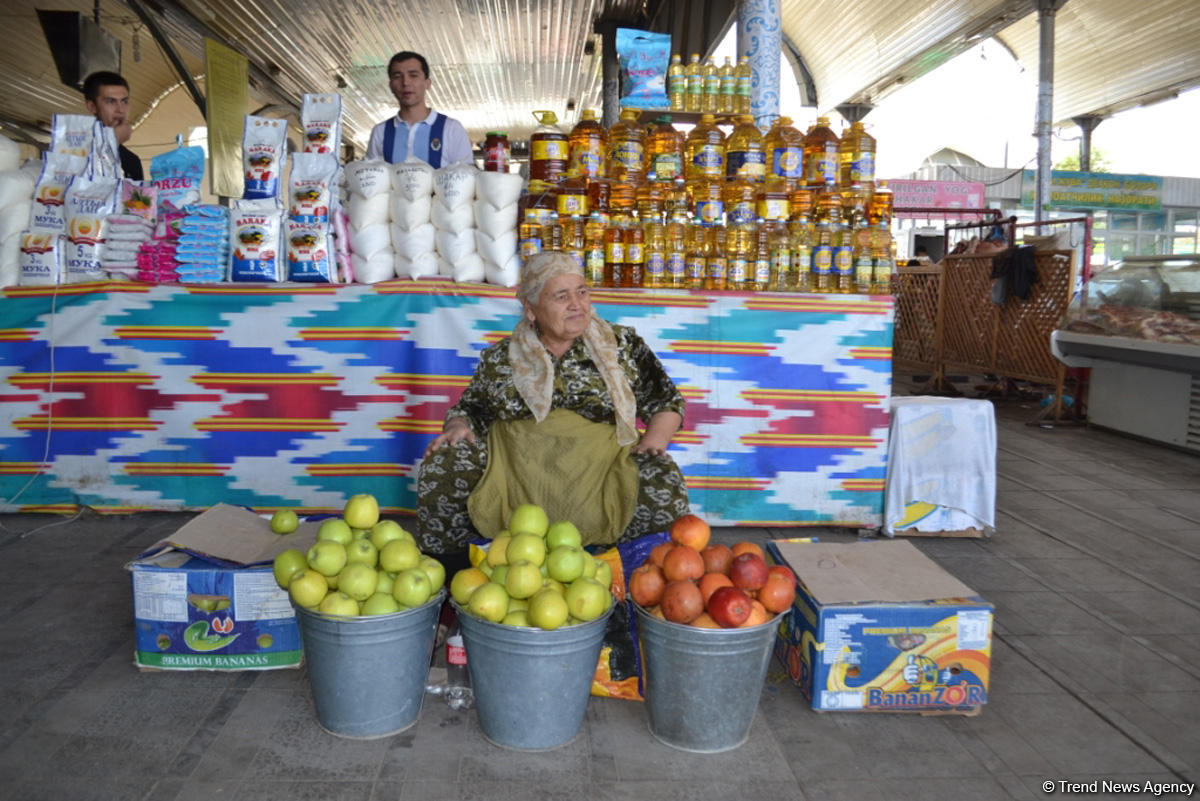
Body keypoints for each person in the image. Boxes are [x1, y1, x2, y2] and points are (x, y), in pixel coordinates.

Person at [416, 251, 689, 567]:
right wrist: (458, 426)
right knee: (444, 465)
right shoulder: (502, 358)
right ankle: (455, 575)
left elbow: (666, 400)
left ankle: (638, 580)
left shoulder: (622, 345)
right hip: (515, 474)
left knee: (662, 479)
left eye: (582, 292)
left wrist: (653, 441)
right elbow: (471, 408)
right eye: (562, 296)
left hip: (602, 470)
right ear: (531, 309)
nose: (577, 304)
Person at [365, 51, 472, 167]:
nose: (405, 82)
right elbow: (370, 179)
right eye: (397, 76)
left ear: (427, 83)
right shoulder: (380, 132)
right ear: (391, 86)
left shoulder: (452, 129)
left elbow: (467, 176)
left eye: (413, 75)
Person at [82, 71, 143, 180]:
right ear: (92, 106)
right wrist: (113, 141)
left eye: (124, 102)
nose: (120, 110)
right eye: (111, 102)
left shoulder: (132, 160)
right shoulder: (75, 147)